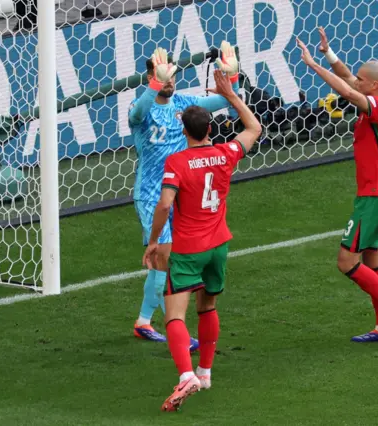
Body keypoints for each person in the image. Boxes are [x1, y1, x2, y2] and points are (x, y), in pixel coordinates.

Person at [142, 69, 261, 411]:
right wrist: (232, 95)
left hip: (189, 248)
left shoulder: (176, 162)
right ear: (210, 129)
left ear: (184, 131)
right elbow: (254, 128)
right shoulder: (226, 154)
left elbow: (165, 203)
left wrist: (153, 241)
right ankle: (205, 372)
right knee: (207, 306)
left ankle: (185, 376)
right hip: (218, 245)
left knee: (175, 317)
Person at [295, 28, 378, 345]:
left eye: (362, 80)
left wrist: (312, 65)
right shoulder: (375, 100)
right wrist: (327, 54)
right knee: (373, 260)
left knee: (346, 261)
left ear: (374, 85)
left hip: (376, 196)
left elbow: (348, 92)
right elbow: (348, 79)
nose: (356, 81)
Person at [128, 42, 240, 344]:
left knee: (167, 261)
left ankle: (144, 321)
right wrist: (154, 85)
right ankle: (174, 327)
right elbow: (138, 111)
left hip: (179, 193)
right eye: (162, 76)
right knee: (165, 259)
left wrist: (232, 78)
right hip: (153, 196)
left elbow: (223, 102)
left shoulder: (183, 103)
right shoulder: (142, 109)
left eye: (171, 75)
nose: (170, 81)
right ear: (151, 77)